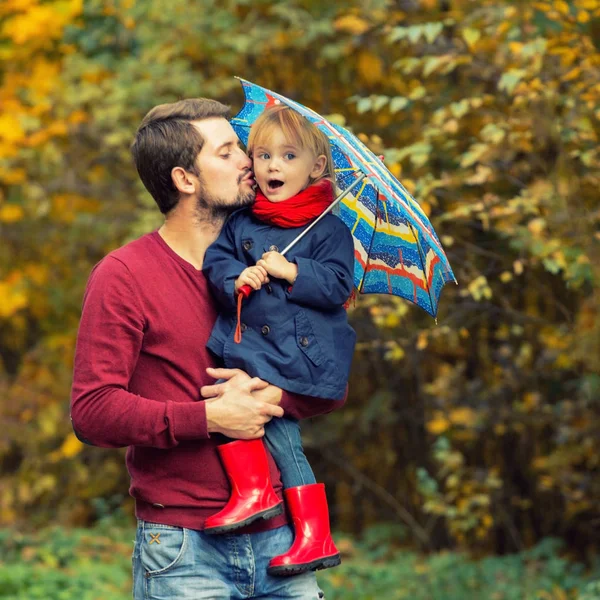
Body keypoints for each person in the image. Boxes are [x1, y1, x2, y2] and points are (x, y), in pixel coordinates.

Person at [70, 98, 346, 600]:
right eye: (227, 152)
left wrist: (271, 397)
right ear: (185, 180)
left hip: (284, 544)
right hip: (183, 550)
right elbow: (92, 411)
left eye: (243, 148)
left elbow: (327, 385)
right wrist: (211, 418)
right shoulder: (125, 276)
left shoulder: (280, 261)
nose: (249, 160)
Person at [202, 105, 356, 576]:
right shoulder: (243, 222)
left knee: (272, 426)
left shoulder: (329, 227)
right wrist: (237, 276)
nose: (273, 166)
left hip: (299, 354)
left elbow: (337, 286)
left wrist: (294, 270)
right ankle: (262, 499)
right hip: (251, 347)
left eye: (288, 156)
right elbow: (216, 261)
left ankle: (301, 524)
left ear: (315, 167)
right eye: (264, 155)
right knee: (238, 408)